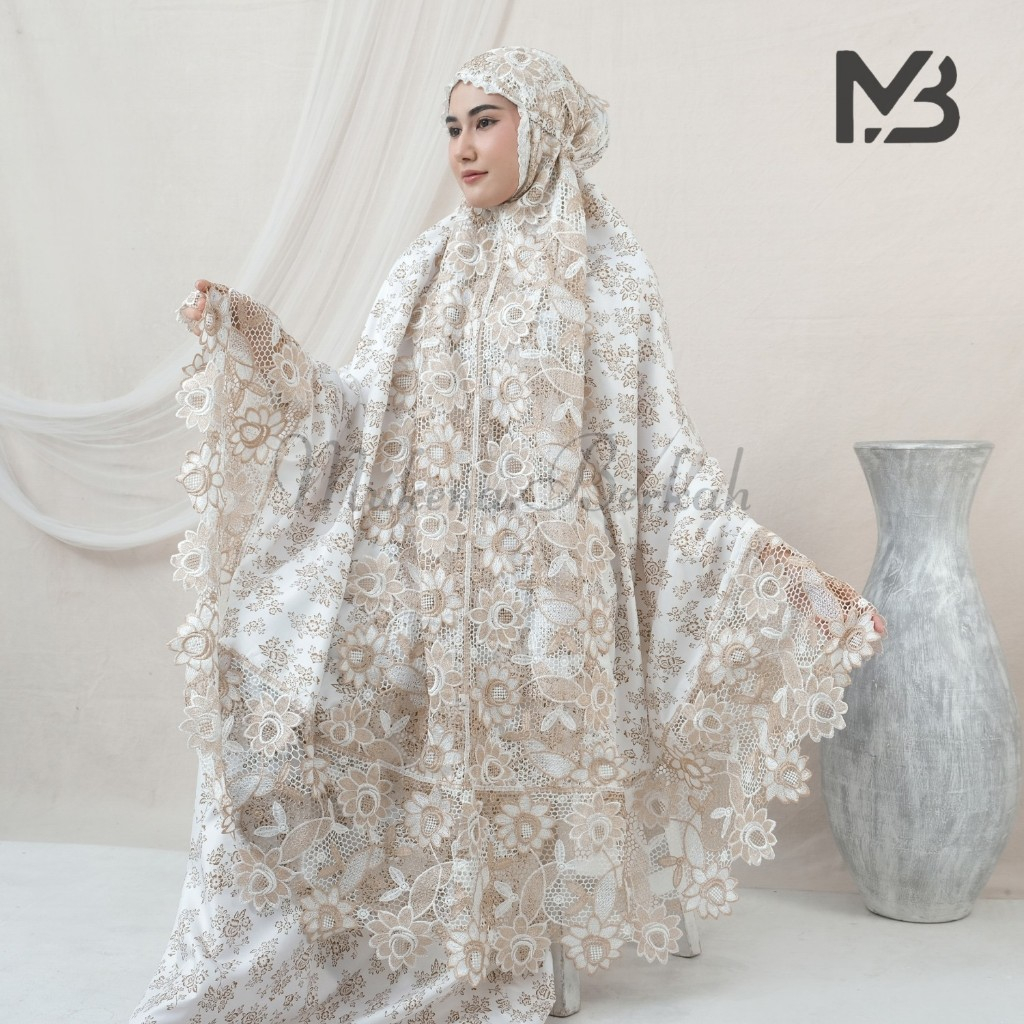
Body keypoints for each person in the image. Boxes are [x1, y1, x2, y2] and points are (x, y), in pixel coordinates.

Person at [131, 46, 886, 1023]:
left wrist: (791, 582)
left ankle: (502, 921)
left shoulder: (608, 275)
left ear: (546, 125)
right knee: (273, 658)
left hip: (555, 594)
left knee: (514, 667)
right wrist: (254, 339)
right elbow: (352, 420)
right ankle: (353, 921)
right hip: (410, 570)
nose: (463, 146)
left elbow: (660, 455)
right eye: (452, 127)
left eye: (486, 120)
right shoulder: (422, 266)